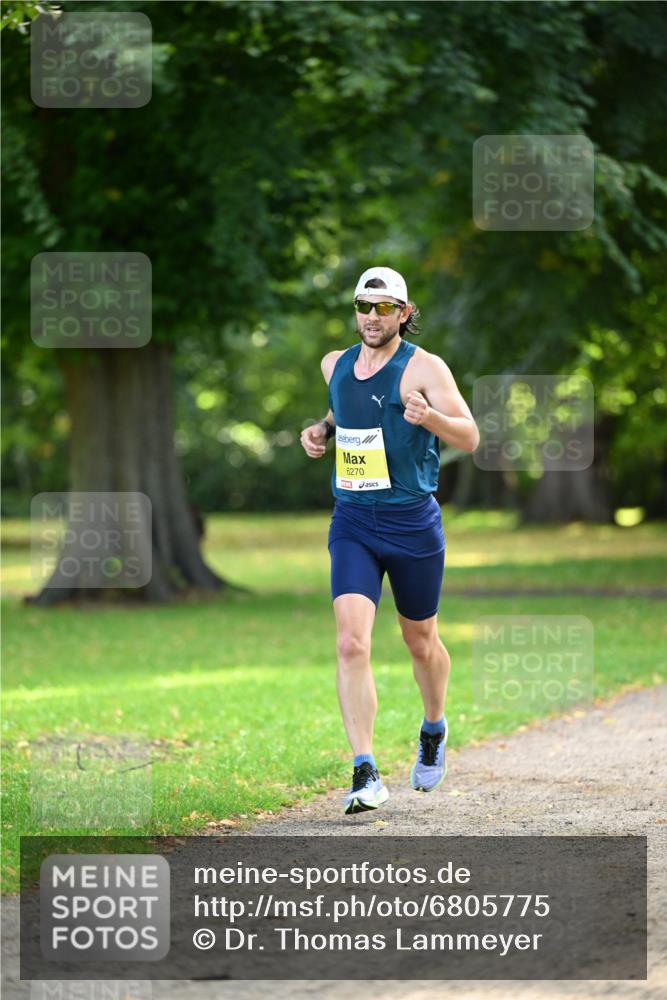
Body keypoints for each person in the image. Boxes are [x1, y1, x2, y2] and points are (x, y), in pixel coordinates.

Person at [300, 266, 479, 815]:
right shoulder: (334, 364)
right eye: (364, 305)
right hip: (353, 520)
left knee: (419, 640)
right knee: (351, 643)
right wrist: (322, 431)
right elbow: (345, 409)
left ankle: (433, 727)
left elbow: (470, 436)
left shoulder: (424, 367)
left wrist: (432, 418)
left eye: (384, 308)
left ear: (403, 313)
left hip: (411, 522)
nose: (372, 317)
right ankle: (365, 771)